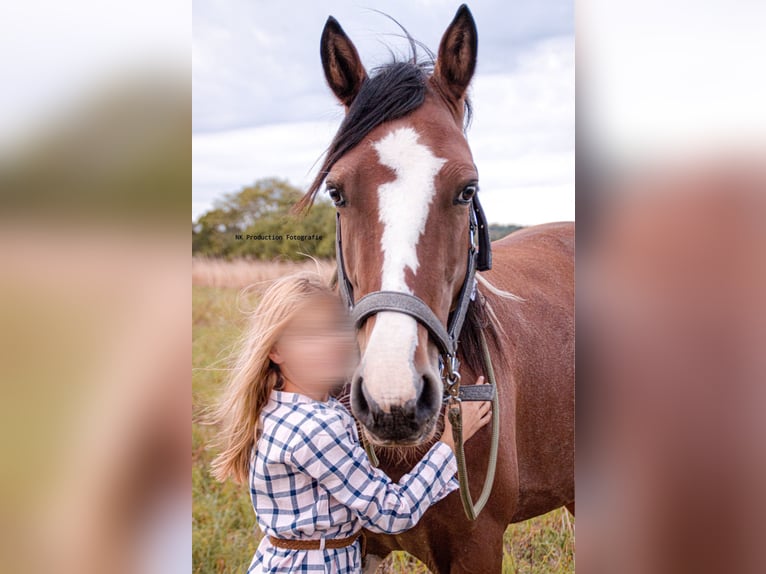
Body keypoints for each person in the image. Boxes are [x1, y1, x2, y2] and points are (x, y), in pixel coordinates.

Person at [208, 271, 491, 573]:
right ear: (275, 351)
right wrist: (450, 442)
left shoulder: (278, 407)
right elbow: (391, 512)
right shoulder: (316, 428)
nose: (333, 343)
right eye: (310, 335)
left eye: (337, 327)